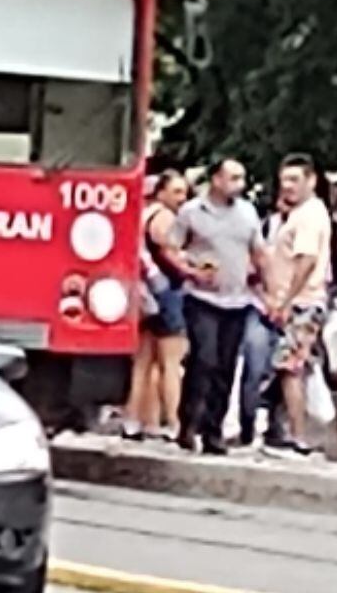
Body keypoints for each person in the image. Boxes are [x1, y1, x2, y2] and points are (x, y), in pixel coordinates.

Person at [166, 158, 266, 455]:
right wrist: (190, 271)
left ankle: (214, 431)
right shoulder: (191, 212)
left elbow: (259, 253)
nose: (240, 184)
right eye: (233, 178)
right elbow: (172, 248)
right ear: (216, 180)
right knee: (203, 359)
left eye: (242, 178)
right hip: (202, 298)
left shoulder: (248, 213)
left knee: (225, 366)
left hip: (237, 299)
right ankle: (189, 422)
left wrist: (267, 287)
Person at [263, 153, 333, 454]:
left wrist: (286, 300)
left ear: (312, 180)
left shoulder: (308, 216)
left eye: (294, 180)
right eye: (284, 181)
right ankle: (279, 428)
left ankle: (298, 434)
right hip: (301, 300)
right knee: (287, 366)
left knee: (291, 368)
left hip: (301, 302)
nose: (287, 186)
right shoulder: (305, 213)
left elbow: (306, 260)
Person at [122, 170, 190, 441]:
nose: (182, 199)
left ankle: (132, 420)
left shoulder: (143, 215)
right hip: (167, 292)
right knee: (170, 363)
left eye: (184, 192)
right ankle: (174, 422)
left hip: (145, 293)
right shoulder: (165, 218)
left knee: (142, 363)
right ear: (161, 192)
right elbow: (169, 253)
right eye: (176, 192)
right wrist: (192, 269)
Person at [237, 193, 292, 447]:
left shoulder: (311, 233)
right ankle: (247, 425)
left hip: (291, 307)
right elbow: (249, 269)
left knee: (287, 372)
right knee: (255, 365)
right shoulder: (265, 229)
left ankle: (275, 426)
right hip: (258, 306)